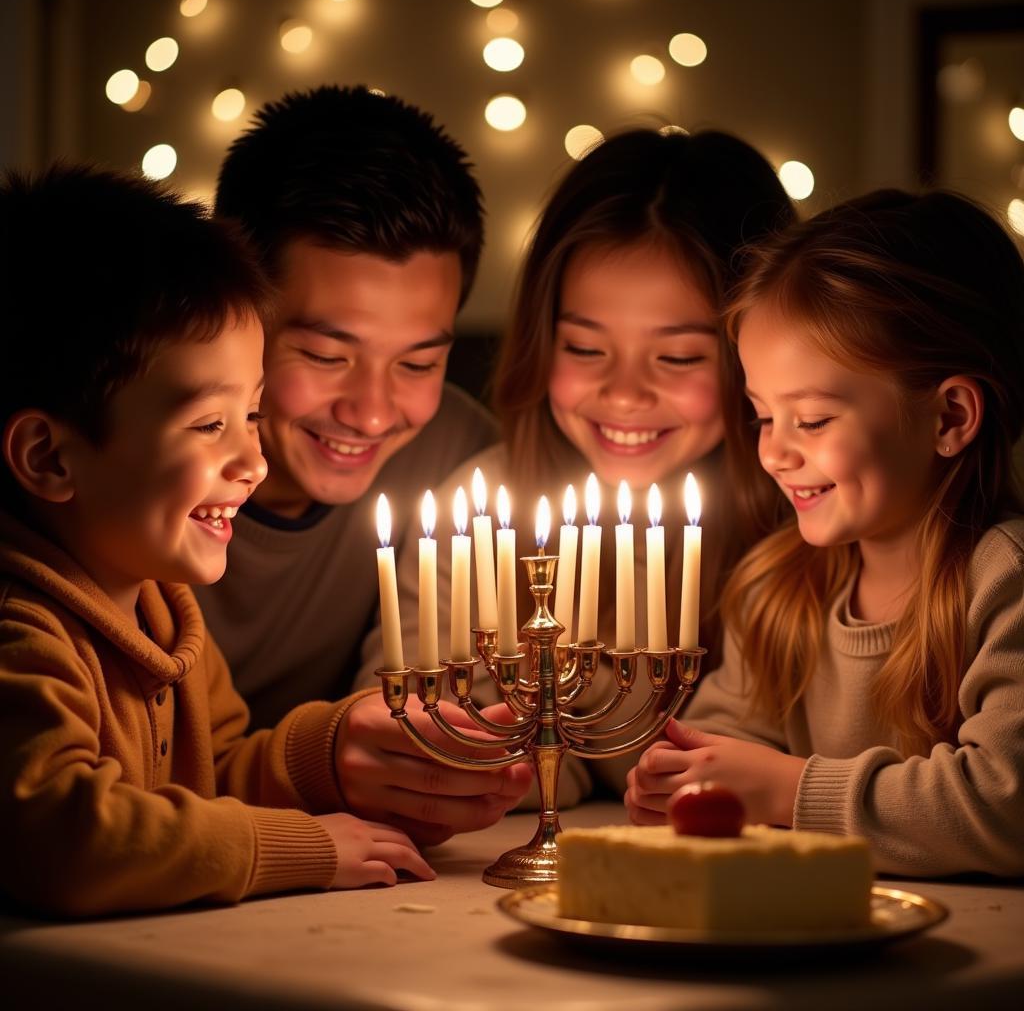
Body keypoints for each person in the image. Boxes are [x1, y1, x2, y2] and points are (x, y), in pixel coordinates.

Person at [0, 165, 437, 918]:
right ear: (50, 457)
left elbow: (215, 776)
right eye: (210, 425)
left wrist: (327, 751)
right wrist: (296, 848)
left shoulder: (164, 613)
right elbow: (61, 838)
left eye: (254, 415)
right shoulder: (20, 629)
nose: (253, 462)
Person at [357, 127, 795, 805]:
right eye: (585, 349)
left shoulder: (803, 526)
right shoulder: (480, 514)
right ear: (541, 340)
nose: (624, 394)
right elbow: (411, 719)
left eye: (677, 357)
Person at [625, 190, 1024, 877]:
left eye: (810, 420)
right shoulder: (779, 585)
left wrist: (787, 789)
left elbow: (1005, 804)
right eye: (761, 417)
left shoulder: (1004, 581)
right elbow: (729, 735)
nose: (775, 453)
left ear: (950, 417)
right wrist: (684, 773)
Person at [199, 86, 530, 846]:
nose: (373, 412)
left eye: (418, 363)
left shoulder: (461, 464)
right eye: (325, 354)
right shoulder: (123, 466)